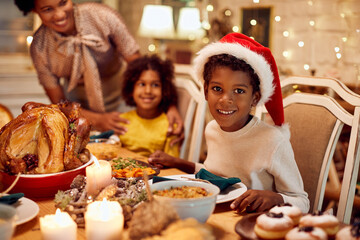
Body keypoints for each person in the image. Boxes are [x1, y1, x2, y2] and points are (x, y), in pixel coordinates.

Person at [148, 33, 310, 213]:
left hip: (251, 223)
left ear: (254, 98)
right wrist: (178, 162)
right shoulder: (212, 129)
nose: (226, 100)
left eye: (239, 91)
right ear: (206, 91)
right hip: (216, 213)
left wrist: (277, 198)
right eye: (217, 89)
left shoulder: (272, 141)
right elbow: (219, 176)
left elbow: (302, 201)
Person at [13, 0, 183, 138]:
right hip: (76, 107)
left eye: (63, 2)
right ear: (34, 10)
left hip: (121, 97)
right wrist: (96, 119)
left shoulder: (103, 16)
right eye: (47, 9)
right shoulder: (39, 47)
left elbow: (141, 68)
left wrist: (171, 106)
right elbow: (59, 103)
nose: (59, 14)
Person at [119, 55, 180, 157]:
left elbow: (172, 163)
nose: (148, 91)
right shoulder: (121, 121)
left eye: (155, 85)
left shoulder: (170, 127)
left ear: (164, 90)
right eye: (142, 84)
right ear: (131, 89)